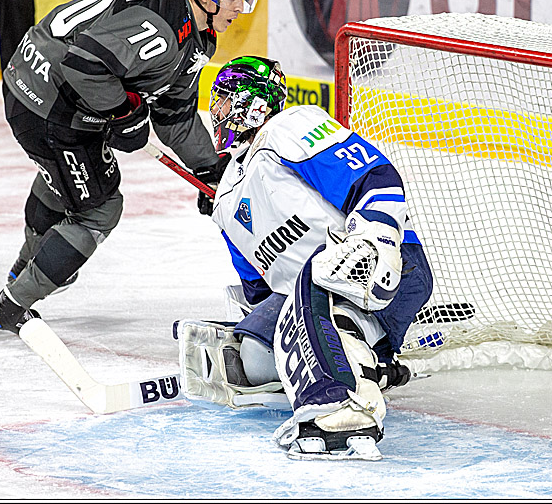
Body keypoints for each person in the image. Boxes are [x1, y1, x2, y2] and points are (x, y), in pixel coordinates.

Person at [0, 0, 259, 338]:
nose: (240, 6)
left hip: (39, 85)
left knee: (69, 182)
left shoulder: (191, 28)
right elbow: (85, 64)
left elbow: (173, 115)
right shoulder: (161, 27)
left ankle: (28, 268)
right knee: (100, 208)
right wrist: (125, 114)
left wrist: (209, 167)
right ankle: (11, 306)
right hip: (50, 102)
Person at [177, 56, 435, 460]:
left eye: (225, 101)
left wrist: (376, 236)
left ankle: (343, 409)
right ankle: (366, 359)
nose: (218, 113)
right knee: (251, 359)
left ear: (253, 102)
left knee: (318, 278)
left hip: (386, 266)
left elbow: (375, 177)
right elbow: (258, 289)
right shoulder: (225, 200)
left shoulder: (290, 126)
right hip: (307, 294)